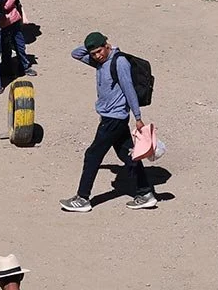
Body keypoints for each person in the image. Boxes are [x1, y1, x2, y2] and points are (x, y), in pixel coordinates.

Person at [62, 32, 155, 212]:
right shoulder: (99, 61)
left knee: (92, 155)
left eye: (100, 51)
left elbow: (129, 89)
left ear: (107, 45)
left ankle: (82, 198)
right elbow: (76, 53)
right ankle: (145, 194)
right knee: (128, 155)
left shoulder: (118, 62)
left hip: (114, 119)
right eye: (94, 53)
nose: (97, 56)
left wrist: (138, 117)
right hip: (111, 118)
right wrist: (91, 46)